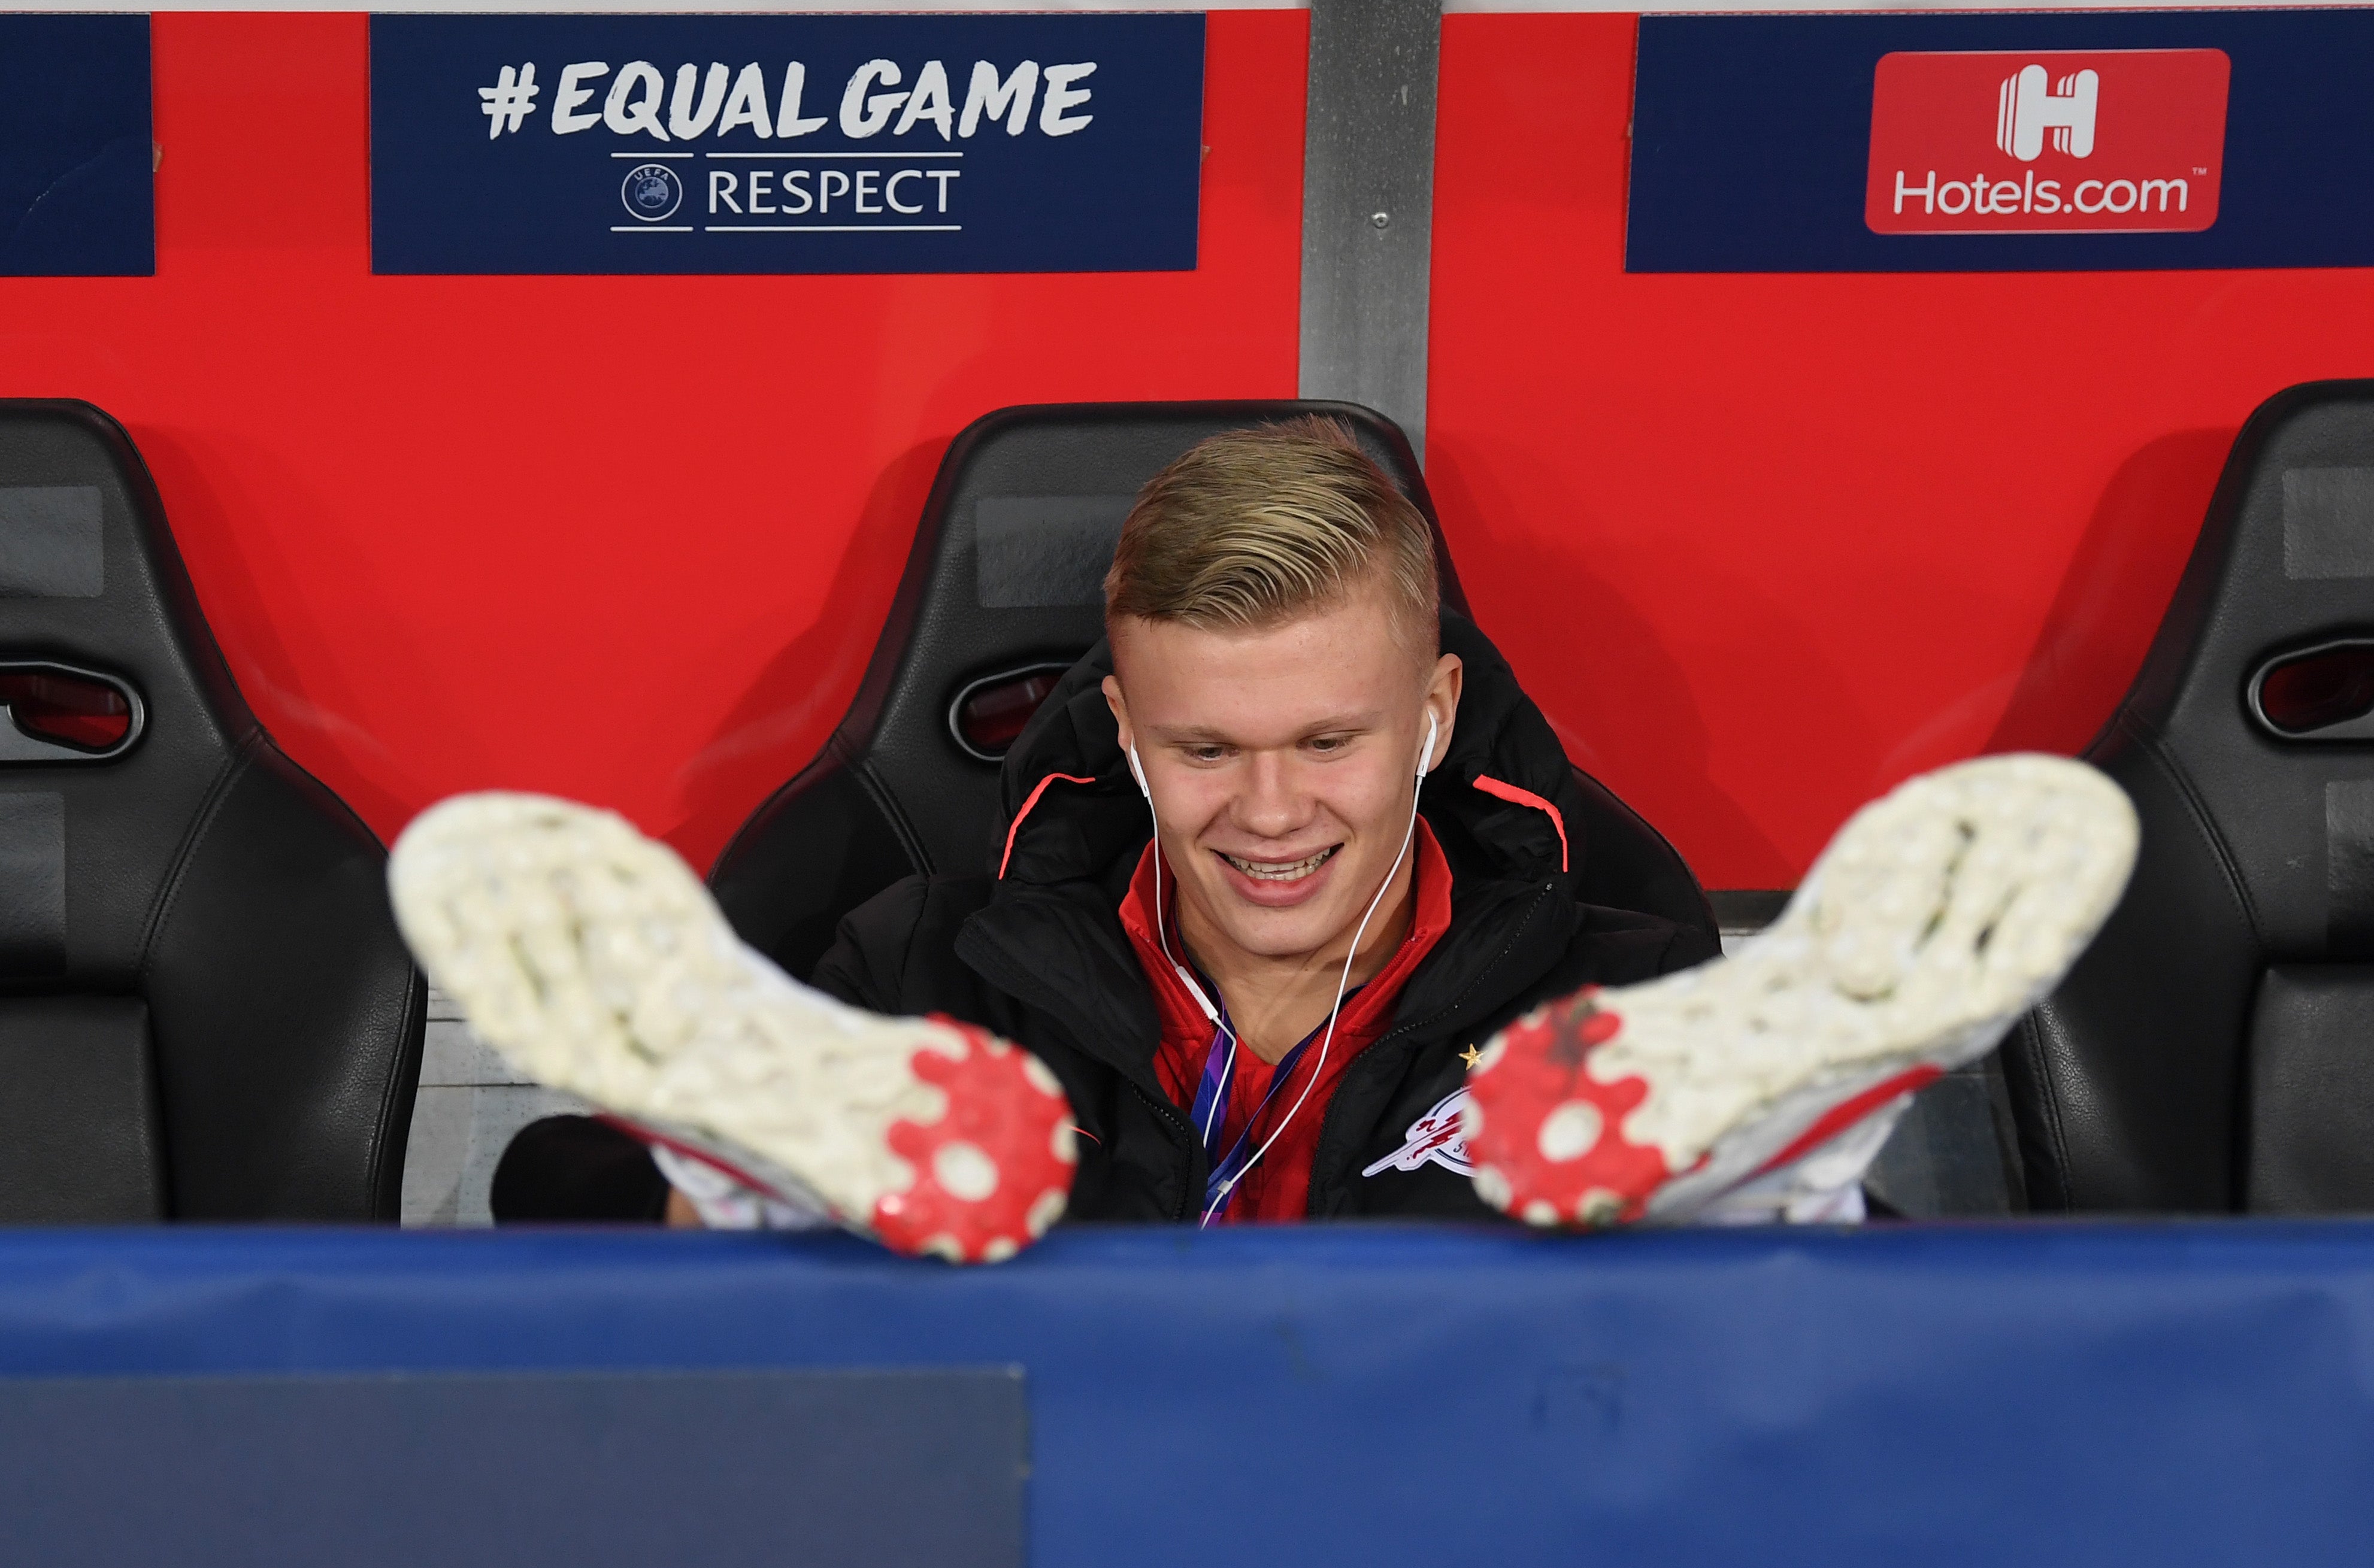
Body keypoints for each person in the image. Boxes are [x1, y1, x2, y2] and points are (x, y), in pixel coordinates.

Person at [403, 419, 2134, 1260]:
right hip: (1033, 1519)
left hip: (1474, 1525)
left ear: (1439, 719)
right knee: (680, 1245)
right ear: (1125, 737)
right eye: (1206, 749)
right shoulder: (921, 966)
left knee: (1766, 1264)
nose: (1276, 810)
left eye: (1331, 739)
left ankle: (1780, 1183)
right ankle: (746, 1178)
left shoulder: (1613, 985)